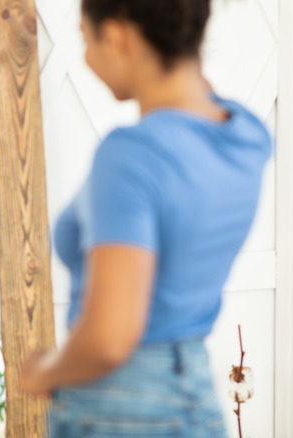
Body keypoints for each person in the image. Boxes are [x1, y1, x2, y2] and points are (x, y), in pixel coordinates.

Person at [19, 1, 271, 437]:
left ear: (117, 37)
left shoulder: (131, 155)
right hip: (193, 389)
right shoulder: (246, 134)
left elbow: (108, 340)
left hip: (121, 406)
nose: (86, 58)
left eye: (85, 39)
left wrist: (44, 372)